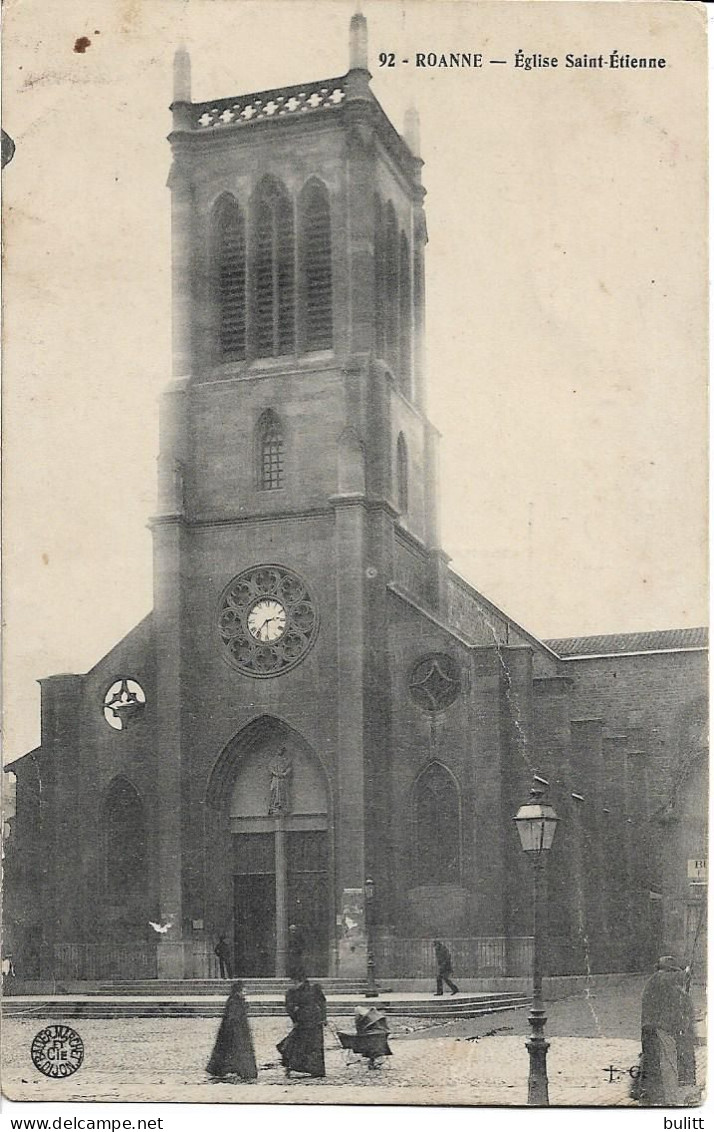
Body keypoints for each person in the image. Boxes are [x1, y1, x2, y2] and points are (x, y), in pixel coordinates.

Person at [639, 956, 698, 1105]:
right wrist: (686, 973)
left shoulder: (657, 983)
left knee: (652, 1062)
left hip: (651, 1027)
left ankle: (649, 1097)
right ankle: (670, 1100)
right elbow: (673, 979)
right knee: (667, 1063)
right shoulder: (660, 978)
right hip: (659, 1028)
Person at [277, 976, 327, 1078]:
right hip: (308, 1021)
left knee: (306, 1045)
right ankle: (312, 1068)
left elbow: (321, 1003)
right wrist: (323, 1017)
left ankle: (309, 1068)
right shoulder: (309, 989)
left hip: (308, 1020)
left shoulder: (299, 991)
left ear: (297, 981)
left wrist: (323, 1017)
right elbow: (290, 1007)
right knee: (306, 1045)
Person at [206, 981, 258, 1081]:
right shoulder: (234, 1002)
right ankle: (239, 1070)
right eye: (243, 991)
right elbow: (233, 1018)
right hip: (234, 1033)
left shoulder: (237, 1001)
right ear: (237, 992)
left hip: (238, 1032)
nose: (245, 993)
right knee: (234, 1052)